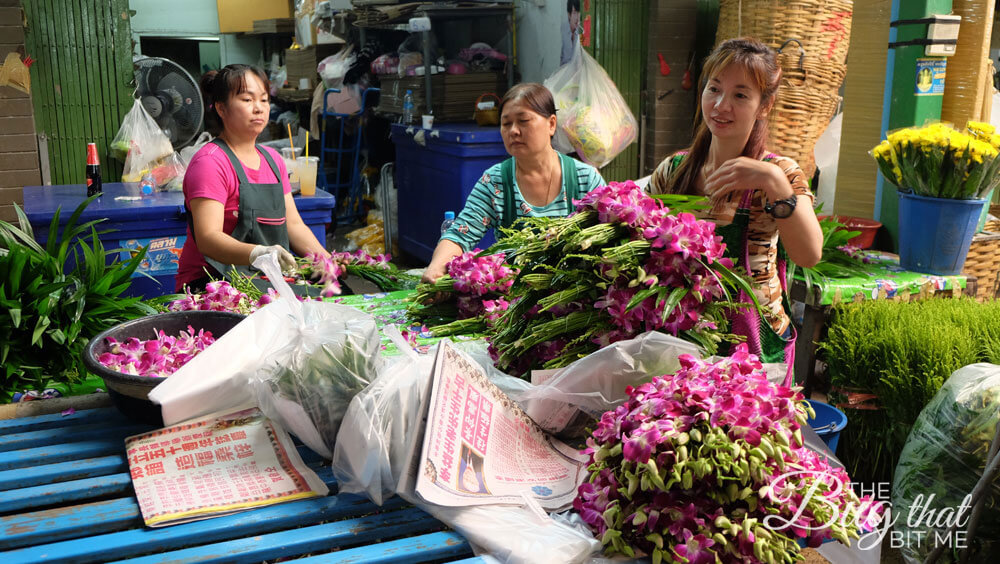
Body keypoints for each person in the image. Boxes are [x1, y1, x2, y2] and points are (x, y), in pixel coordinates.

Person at [648, 38, 822, 368]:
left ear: (764, 106)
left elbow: (809, 254)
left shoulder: (781, 173)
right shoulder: (673, 172)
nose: (721, 105)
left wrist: (772, 182)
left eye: (740, 95)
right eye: (714, 89)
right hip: (678, 336)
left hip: (756, 345)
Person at [422, 83, 606, 283]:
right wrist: (436, 268)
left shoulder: (585, 179)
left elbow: (608, 241)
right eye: (506, 123)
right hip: (514, 299)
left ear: (551, 124)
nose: (513, 131)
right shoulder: (496, 181)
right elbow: (460, 235)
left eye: (523, 121)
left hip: (574, 297)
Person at [175, 64, 329, 291]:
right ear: (221, 108)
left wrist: (326, 260)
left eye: (264, 100)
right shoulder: (210, 163)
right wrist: (258, 253)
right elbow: (208, 238)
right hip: (212, 284)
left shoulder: (273, 160)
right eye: (247, 100)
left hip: (265, 278)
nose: (258, 108)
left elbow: (294, 225)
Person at [560, 0, 582, 66]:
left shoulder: (581, 32)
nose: (577, 17)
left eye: (578, 13)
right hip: (564, 71)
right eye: (574, 13)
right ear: (569, 15)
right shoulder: (563, 30)